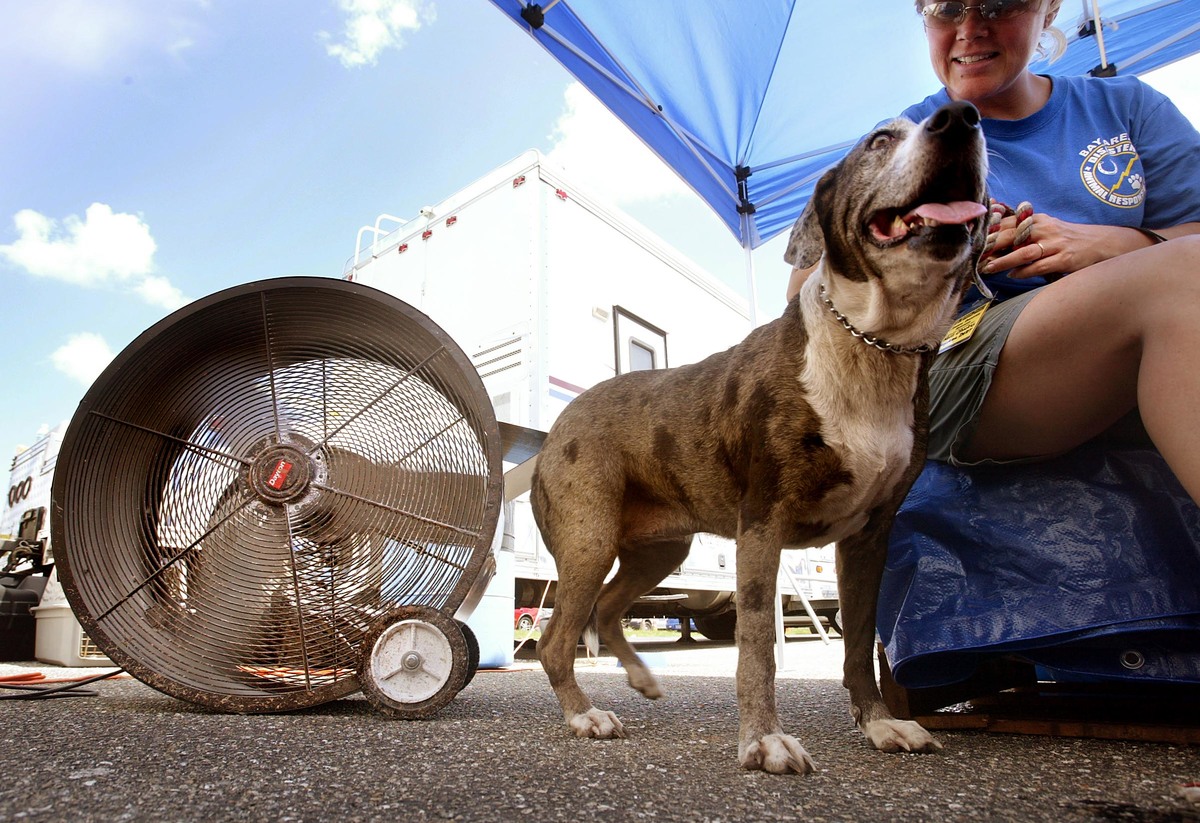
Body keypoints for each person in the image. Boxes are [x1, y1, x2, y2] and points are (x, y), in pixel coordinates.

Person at [787, 0, 1200, 503]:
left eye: (997, 5)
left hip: (1132, 348)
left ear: (1048, 11)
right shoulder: (904, 139)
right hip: (954, 362)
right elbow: (802, 296)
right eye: (946, 9)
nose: (969, 30)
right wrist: (929, 259)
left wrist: (1112, 245)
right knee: (1181, 273)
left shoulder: (1128, 108)